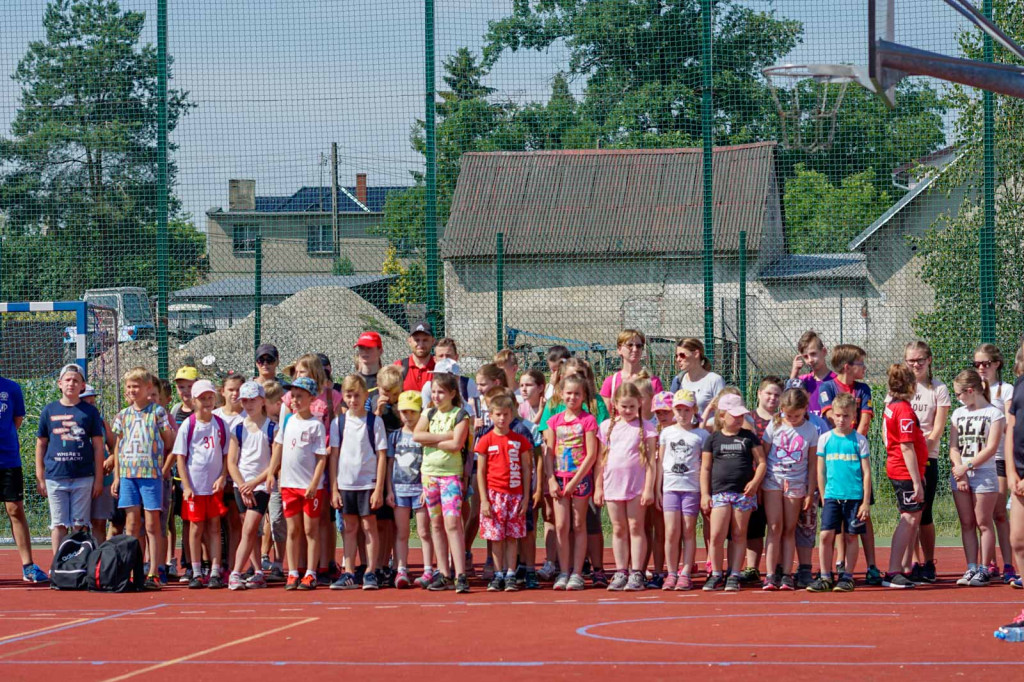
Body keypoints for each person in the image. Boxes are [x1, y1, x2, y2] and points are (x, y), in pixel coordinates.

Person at [819, 344, 879, 584]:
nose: (864, 367)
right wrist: (844, 436)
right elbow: (831, 418)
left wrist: (857, 441)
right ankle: (840, 564)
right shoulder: (828, 387)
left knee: (863, 517)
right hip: (836, 461)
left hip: (855, 459)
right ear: (847, 366)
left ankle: (872, 565)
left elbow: (863, 421)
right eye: (861, 363)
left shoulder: (863, 389)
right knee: (837, 522)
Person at [112, 367, 175, 590]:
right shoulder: (122, 415)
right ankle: (133, 571)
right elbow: (118, 445)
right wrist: (117, 476)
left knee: (152, 524)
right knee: (131, 525)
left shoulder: (157, 412)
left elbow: (169, 441)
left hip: (151, 475)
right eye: (129, 386)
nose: (132, 390)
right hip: (128, 475)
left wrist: (166, 433)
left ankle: (153, 571)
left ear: (148, 388)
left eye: (136, 386)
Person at [595, 383, 657, 591]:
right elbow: (600, 460)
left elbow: (650, 461)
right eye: (624, 406)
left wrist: (648, 488)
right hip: (613, 485)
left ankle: (637, 571)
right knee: (619, 528)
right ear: (615, 405)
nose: (628, 411)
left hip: (635, 486)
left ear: (639, 404)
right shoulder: (606, 427)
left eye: (632, 406)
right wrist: (599, 487)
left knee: (635, 527)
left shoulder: (646, 427)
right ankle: (621, 571)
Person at [35, 364, 104, 555]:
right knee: (58, 524)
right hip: (55, 477)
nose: (71, 384)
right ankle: (58, 565)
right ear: (59, 383)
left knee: (79, 524)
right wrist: (40, 476)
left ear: (83, 385)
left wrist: (98, 479)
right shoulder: (49, 410)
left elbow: (98, 446)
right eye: (67, 380)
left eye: (76, 380)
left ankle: (78, 563)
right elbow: (41, 444)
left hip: (83, 477)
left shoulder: (90, 412)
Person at [700, 394, 766, 592]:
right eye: (734, 415)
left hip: (742, 495)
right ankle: (716, 574)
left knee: (739, 534)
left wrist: (755, 483)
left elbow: (762, 462)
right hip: (720, 493)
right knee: (717, 535)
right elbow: (705, 468)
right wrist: (705, 494)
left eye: (741, 415)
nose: (738, 419)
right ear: (722, 415)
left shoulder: (749, 437)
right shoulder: (713, 439)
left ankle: (734, 574)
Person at [414, 371, 472, 593]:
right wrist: (443, 438)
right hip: (429, 474)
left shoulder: (460, 415)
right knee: (436, 523)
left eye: (441, 392)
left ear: (452, 394)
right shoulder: (428, 413)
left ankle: (460, 574)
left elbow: (457, 444)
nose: (437, 396)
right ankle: (444, 573)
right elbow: (417, 436)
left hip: (450, 476)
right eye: (434, 392)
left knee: (451, 523)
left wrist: (433, 440)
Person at [268, 376, 328, 591]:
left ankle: (311, 572)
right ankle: (293, 572)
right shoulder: (288, 421)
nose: (295, 400)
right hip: (288, 486)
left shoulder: (316, 425)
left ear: (311, 398)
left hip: (310, 488)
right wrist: (271, 474)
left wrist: (313, 483)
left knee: (310, 530)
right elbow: (279, 447)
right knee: (292, 530)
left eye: (300, 396)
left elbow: (322, 457)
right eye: (293, 396)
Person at [807, 392, 871, 593]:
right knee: (826, 535)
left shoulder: (859, 441)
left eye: (846, 416)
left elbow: (866, 472)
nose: (841, 419)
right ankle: (825, 575)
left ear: (853, 417)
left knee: (852, 537)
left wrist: (865, 502)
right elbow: (820, 470)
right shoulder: (825, 439)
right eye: (838, 415)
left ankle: (847, 576)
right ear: (831, 415)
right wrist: (825, 494)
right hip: (832, 496)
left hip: (854, 496)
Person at [329, 375, 388, 591]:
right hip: (346, 484)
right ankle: (349, 572)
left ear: (365, 395)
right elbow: (334, 456)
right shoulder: (339, 423)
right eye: (349, 395)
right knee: (349, 528)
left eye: (357, 395)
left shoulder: (375, 421)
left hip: (368, 483)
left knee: (369, 527)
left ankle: (371, 571)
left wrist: (379, 488)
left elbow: (382, 456)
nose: (353, 400)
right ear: (343, 397)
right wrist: (334, 488)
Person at [900, 340, 950, 583]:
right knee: (909, 513)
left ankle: (928, 563)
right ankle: (910, 563)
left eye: (920, 359)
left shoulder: (938, 389)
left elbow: (938, 427)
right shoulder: (899, 390)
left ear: (929, 360)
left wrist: (920, 454)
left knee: (925, 513)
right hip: (902, 461)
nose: (916, 364)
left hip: (927, 458)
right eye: (911, 360)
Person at [948, 368, 1004, 587]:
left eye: (959, 394)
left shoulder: (994, 414)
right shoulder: (958, 414)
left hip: (984, 474)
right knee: (967, 522)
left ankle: (984, 568)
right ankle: (971, 567)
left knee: (983, 522)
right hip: (960, 474)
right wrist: (959, 470)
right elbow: (954, 446)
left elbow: (991, 449)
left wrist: (968, 466)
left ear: (970, 391)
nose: (958, 398)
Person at [544, 373, 600, 591]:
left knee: (578, 524)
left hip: (580, 479)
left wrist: (576, 481)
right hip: (559, 478)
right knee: (561, 525)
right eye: (568, 393)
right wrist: (551, 480)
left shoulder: (588, 421)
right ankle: (563, 571)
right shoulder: (554, 421)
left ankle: (577, 572)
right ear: (561, 394)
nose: (572, 397)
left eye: (577, 393)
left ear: (584, 395)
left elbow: (591, 454)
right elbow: (549, 454)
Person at [760, 388, 818, 591]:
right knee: (774, 526)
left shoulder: (810, 430)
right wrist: (759, 483)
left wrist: (810, 491)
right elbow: (764, 456)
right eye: (788, 415)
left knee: (789, 528)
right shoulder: (774, 425)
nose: (792, 419)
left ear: (805, 410)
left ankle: (786, 574)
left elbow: (812, 463)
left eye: (797, 415)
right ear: (782, 409)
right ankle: (769, 575)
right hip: (773, 481)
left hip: (796, 482)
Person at [174, 379, 229, 589]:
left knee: (215, 528)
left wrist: (222, 477)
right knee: (195, 528)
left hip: (213, 487)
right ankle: (196, 570)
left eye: (210, 397)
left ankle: (215, 570)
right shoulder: (189, 425)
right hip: (195, 487)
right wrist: (186, 486)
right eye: (202, 398)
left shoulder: (220, 424)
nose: (207, 402)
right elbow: (180, 457)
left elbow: (225, 456)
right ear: (195, 401)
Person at [476, 391, 533, 591]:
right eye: (498, 414)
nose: (502, 418)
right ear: (490, 415)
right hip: (494, 496)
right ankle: (498, 574)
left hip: (515, 496)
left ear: (512, 414)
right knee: (496, 538)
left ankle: (510, 573)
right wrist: (484, 499)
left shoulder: (520, 440)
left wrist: (526, 497)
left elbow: (527, 469)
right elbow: (480, 471)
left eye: (506, 414)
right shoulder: (485, 440)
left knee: (512, 537)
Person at [882, 363, 929, 589]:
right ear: (910, 385)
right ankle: (893, 571)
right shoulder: (904, 410)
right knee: (908, 519)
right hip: (904, 471)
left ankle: (903, 566)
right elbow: (906, 446)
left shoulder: (893, 405)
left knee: (913, 518)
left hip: (902, 468)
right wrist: (917, 480)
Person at [226, 381, 274, 590]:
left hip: (261, 486)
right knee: (251, 530)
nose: (248, 404)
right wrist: (242, 484)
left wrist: (254, 483)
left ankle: (235, 572)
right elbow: (231, 461)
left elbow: (274, 464)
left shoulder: (273, 428)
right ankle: (258, 572)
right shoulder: (237, 428)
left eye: (253, 399)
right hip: (242, 486)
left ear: (262, 401)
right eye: (245, 400)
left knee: (248, 529)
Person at [974, 343, 1016, 581]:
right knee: (982, 517)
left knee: (999, 514)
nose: (981, 368)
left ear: (996, 364)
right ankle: (988, 563)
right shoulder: (973, 390)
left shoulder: (1005, 390)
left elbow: (1010, 423)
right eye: (977, 364)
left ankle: (1008, 563)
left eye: (985, 364)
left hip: (999, 457)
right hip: (978, 461)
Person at [657, 390, 706, 591]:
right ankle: (671, 572)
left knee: (688, 530)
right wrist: (657, 489)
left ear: (694, 410)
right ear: (673, 410)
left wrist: (704, 491)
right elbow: (660, 461)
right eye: (679, 410)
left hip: (691, 489)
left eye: (687, 410)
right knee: (671, 532)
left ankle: (685, 572)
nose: (683, 414)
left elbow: (704, 465)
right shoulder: (667, 433)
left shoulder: (701, 435)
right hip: (670, 488)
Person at [0, 370, 45, 583]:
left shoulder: (12, 388)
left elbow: (16, 420)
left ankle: (28, 566)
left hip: (8, 459)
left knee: (15, 508)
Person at [388, 390, 434, 589]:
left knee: (424, 532)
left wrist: (426, 488)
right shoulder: (395, 436)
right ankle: (401, 569)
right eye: (404, 412)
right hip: (399, 490)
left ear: (420, 413)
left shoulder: (424, 435)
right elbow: (389, 464)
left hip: (420, 489)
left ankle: (428, 570)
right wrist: (389, 490)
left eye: (412, 412)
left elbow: (430, 462)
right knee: (402, 532)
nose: (408, 416)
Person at [742, 376, 782, 584]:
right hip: (753, 480)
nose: (772, 398)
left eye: (777, 395)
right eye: (769, 393)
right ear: (759, 393)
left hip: (777, 481)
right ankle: (752, 568)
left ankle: (777, 568)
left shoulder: (784, 420)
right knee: (754, 526)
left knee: (777, 525)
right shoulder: (747, 418)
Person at [214, 373, 245, 576]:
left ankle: (235, 566)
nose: (235, 394)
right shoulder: (215, 416)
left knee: (236, 522)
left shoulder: (248, 415)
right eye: (231, 389)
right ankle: (214, 566)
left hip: (238, 478)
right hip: (214, 479)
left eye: (238, 390)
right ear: (222, 391)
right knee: (214, 524)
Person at [170, 365, 198, 582]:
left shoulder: (204, 411)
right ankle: (187, 563)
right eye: (181, 387)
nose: (185, 391)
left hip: (202, 477)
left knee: (205, 524)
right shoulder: (174, 412)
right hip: (180, 477)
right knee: (187, 522)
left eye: (189, 386)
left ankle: (205, 563)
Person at [82, 384, 117, 544]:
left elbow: (115, 445)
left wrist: (111, 458)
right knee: (80, 524)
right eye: (86, 403)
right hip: (80, 478)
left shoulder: (102, 422)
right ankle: (80, 561)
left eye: (93, 402)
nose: (91, 406)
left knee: (99, 522)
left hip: (103, 480)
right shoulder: (70, 421)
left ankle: (97, 562)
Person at [600, 330, 664, 417]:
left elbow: (661, 414)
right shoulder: (610, 382)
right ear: (619, 349)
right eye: (630, 345)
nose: (635, 349)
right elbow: (604, 416)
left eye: (639, 346)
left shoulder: (653, 381)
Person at [261, 380, 288, 583]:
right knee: (260, 522)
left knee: (278, 520)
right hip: (259, 479)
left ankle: (279, 562)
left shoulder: (284, 424)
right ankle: (259, 561)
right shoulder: (258, 423)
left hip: (278, 479)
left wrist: (272, 472)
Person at [670, 338, 725, 425]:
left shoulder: (715, 380)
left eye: (682, 355)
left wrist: (704, 427)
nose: (678, 359)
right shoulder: (678, 380)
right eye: (676, 356)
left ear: (696, 354)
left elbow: (722, 413)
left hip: (707, 434)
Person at [1005, 341, 1024, 588]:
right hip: (1018, 475)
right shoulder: (1020, 383)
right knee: (1018, 541)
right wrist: (1011, 473)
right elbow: (1011, 428)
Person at [786, 331, 836, 417]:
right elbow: (788, 403)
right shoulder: (802, 381)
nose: (810, 360)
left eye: (813, 354)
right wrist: (794, 374)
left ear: (824, 351)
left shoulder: (836, 380)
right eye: (805, 356)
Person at [396, 320, 436, 392]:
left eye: (425, 340)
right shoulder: (399, 367)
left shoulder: (439, 368)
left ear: (433, 341)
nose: (420, 345)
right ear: (409, 341)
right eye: (417, 340)